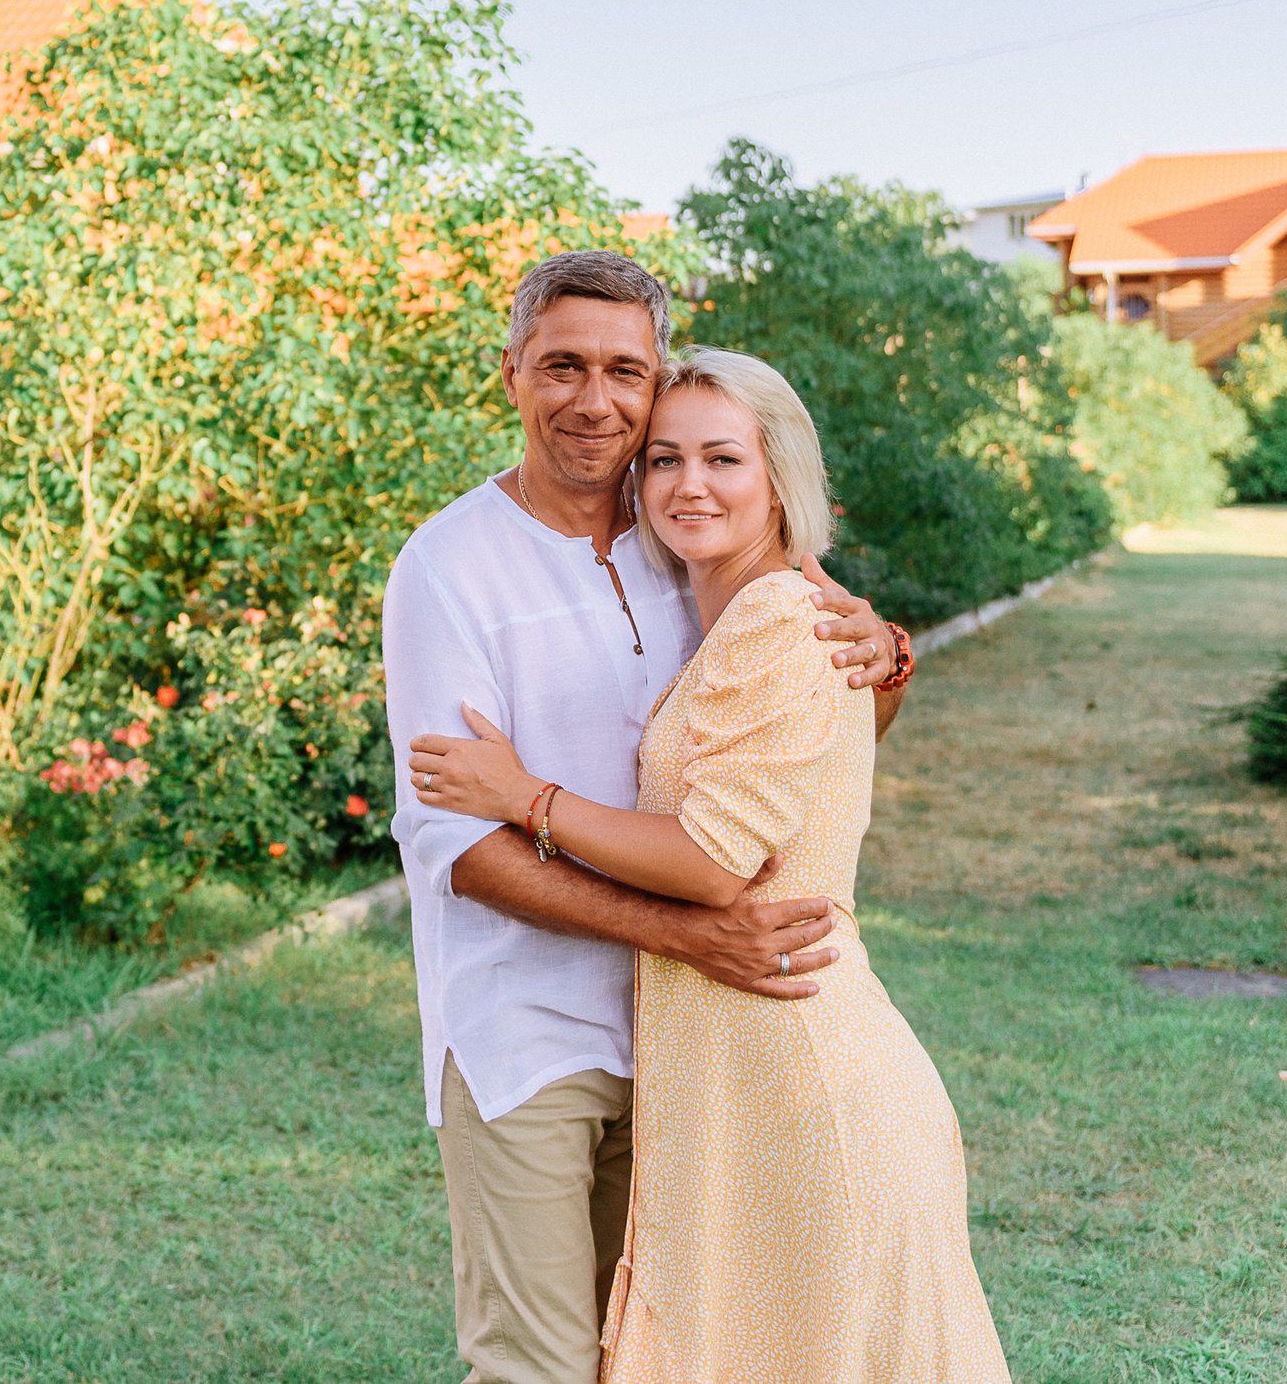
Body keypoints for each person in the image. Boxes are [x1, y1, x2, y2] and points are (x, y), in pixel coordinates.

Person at [409, 345, 1008, 1382]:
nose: (688, 484)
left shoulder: (775, 614)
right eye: (667, 461)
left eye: (722, 459)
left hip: (798, 1073)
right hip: (714, 1069)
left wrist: (524, 797)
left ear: (779, 476)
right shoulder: (681, 587)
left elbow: (716, 860)